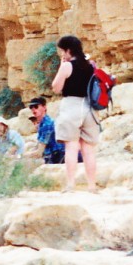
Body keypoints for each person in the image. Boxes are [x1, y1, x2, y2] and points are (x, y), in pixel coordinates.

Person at [50, 34, 101, 192]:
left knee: (71, 148)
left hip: (71, 106)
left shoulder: (67, 66)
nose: (62, 54)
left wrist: (61, 66)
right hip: (89, 108)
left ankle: (71, 185)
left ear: (68, 50)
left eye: (63, 51)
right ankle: (92, 186)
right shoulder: (91, 65)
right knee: (88, 149)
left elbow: (56, 87)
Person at [26, 96, 64, 164]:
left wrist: (19, 156)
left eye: (36, 106)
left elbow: (39, 152)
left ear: (44, 107)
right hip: (53, 155)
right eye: (31, 107)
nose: (33, 109)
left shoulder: (47, 124)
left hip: (57, 156)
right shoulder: (42, 124)